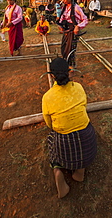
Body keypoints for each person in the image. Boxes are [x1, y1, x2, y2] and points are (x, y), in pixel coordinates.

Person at [42, 58, 97, 198]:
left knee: (51, 139)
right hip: (87, 138)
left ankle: (57, 170)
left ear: (52, 75)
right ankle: (80, 172)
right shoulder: (78, 87)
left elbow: (49, 124)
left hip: (65, 144)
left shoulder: (47, 97)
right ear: (69, 72)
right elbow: (84, 106)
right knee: (84, 134)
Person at [58, 0, 88, 68]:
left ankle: (72, 67)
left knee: (71, 50)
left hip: (73, 31)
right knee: (64, 48)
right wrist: (60, 25)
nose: (63, 0)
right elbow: (62, 18)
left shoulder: (76, 7)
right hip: (66, 30)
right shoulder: (65, 7)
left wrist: (78, 26)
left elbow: (85, 19)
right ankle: (66, 64)